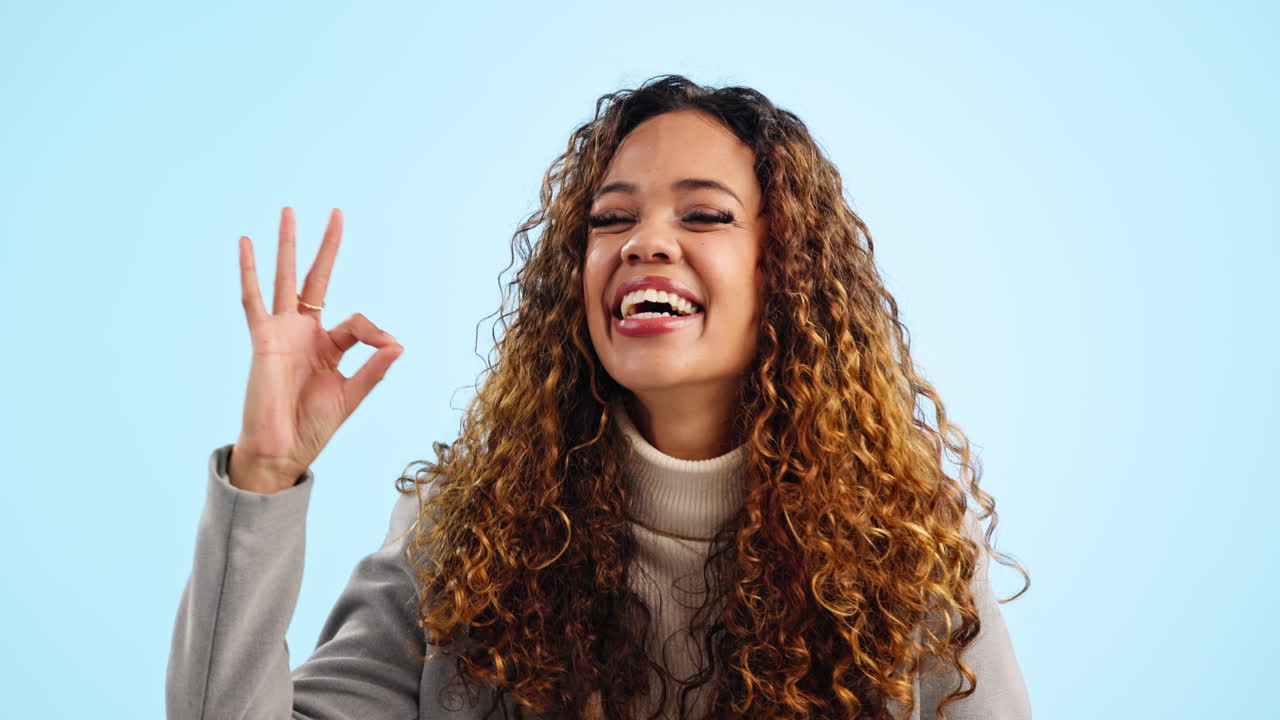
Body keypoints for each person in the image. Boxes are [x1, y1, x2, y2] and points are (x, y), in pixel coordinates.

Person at [166, 74, 1032, 720]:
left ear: (789, 274)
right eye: (612, 219)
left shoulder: (906, 552)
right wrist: (264, 478)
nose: (645, 241)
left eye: (704, 216)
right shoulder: (458, 541)